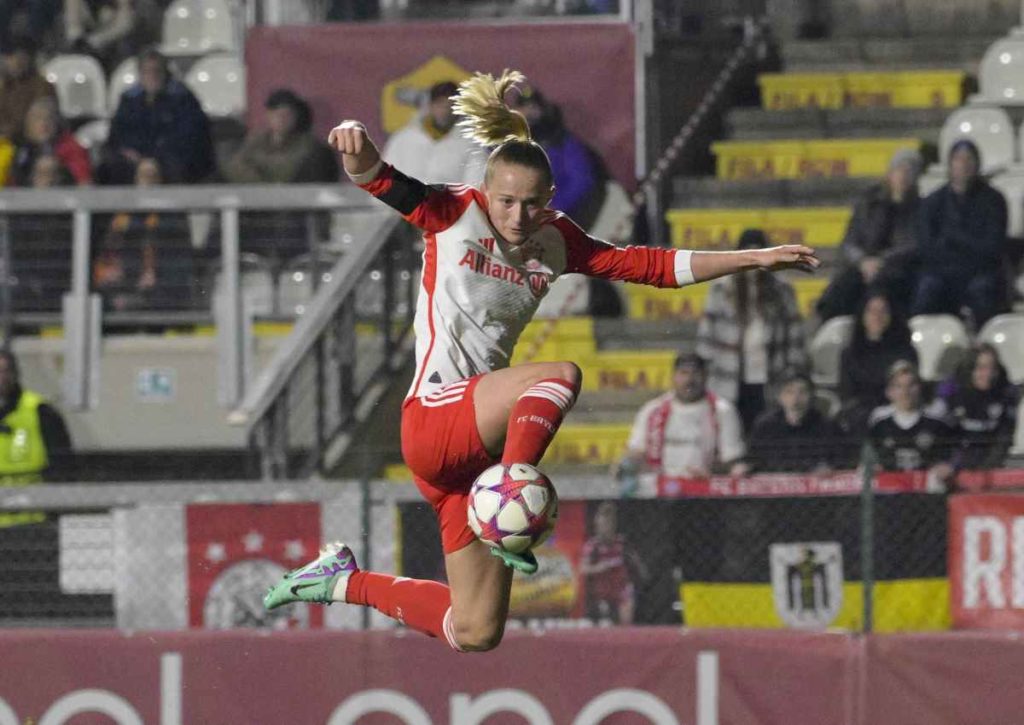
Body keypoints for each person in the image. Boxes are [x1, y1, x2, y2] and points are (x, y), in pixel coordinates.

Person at [263, 69, 817, 652]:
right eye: (505, 200)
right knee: (559, 376)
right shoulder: (453, 212)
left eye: (531, 204)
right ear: (485, 188)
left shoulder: (557, 240)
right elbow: (378, 179)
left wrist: (753, 258)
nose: (516, 216)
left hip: (473, 456)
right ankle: (513, 480)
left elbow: (653, 267)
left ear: (548, 201)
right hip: (432, 419)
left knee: (475, 630)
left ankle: (341, 581)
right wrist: (356, 144)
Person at [696, 228, 808, 431]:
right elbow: (706, 339)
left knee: (767, 431)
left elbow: (795, 337)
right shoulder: (721, 289)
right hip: (729, 378)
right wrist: (708, 376)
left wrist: (792, 373)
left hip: (773, 377)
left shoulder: (782, 291)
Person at [614, 352, 747, 497]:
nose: (689, 380)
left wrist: (713, 473)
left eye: (696, 374)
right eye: (683, 373)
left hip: (706, 493)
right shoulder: (652, 410)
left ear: (706, 376)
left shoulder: (722, 411)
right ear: (673, 377)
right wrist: (627, 463)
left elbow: (732, 461)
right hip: (661, 493)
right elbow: (637, 451)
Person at [911, 139, 1008, 329]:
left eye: (968, 159)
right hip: (942, 272)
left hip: (980, 271)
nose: (963, 164)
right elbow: (926, 248)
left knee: (983, 291)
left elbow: (993, 247)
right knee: (926, 291)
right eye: (958, 159)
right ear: (950, 164)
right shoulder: (932, 202)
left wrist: (955, 240)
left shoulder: (994, 201)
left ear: (977, 163)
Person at [815, 148, 922, 320]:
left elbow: (912, 245)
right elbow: (849, 242)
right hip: (863, 266)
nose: (903, 176)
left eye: (908, 171)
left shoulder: (919, 209)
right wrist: (862, 262)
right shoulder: (868, 203)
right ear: (890, 173)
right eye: (899, 170)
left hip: (895, 270)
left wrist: (881, 262)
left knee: (883, 287)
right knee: (842, 288)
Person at [93, 157, 193, 311]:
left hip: (162, 280)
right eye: (143, 175)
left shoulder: (172, 214)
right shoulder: (123, 215)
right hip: (128, 278)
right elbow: (110, 250)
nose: (148, 180)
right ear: (136, 179)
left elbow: (176, 252)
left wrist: (153, 274)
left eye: (152, 175)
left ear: (160, 180)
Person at [101, 47, 213, 184]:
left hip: (172, 158)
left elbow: (190, 136)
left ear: (165, 72)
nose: (151, 76)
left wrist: (155, 157)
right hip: (135, 158)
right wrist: (130, 151)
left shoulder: (183, 99)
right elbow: (118, 135)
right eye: (146, 72)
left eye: (156, 71)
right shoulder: (129, 100)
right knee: (109, 168)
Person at [513, 85, 604, 230]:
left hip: (557, 220)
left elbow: (581, 180)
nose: (529, 113)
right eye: (524, 108)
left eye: (533, 107)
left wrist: (554, 206)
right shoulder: (507, 144)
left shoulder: (561, 141)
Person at [837, 290, 917, 440]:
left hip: (897, 412)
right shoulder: (849, 353)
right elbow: (847, 393)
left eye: (883, 311)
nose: (877, 316)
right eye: (872, 311)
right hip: (862, 416)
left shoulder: (905, 351)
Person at [867, 360, 956, 489]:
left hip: (927, 494)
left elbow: (949, 456)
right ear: (889, 392)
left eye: (911, 385)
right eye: (898, 386)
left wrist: (946, 466)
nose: (905, 392)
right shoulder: (879, 424)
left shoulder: (936, 423)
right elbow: (869, 456)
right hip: (889, 494)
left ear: (919, 387)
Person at [222, 88, 338, 184]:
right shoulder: (256, 141)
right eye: (277, 114)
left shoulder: (311, 148)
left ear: (296, 117)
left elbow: (290, 171)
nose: (282, 119)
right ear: (268, 115)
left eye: (287, 114)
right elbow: (236, 168)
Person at [382, 80, 485, 185]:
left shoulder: (471, 146)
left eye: (451, 105)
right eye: (440, 104)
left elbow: (474, 187)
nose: (445, 111)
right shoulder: (403, 139)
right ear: (430, 105)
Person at [934, 343, 1018, 470]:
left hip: (992, 467)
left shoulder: (1005, 394)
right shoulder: (952, 393)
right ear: (970, 369)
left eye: (992, 368)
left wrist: (987, 468)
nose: (988, 374)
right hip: (955, 468)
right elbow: (943, 437)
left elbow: (1004, 438)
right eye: (981, 368)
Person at [746, 369, 844, 473]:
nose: (796, 399)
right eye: (789, 392)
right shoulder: (765, 426)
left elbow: (842, 461)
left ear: (812, 396)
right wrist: (746, 467)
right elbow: (753, 460)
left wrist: (829, 468)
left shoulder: (828, 426)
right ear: (779, 397)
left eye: (803, 392)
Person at [578, 501, 647, 625]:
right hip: (602, 593)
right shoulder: (592, 546)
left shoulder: (622, 543)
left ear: (612, 525)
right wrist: (600, 567)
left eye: (605, 525)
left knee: (626, 619)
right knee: (605, 625)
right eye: (599, 525)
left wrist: (639, 570)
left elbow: (636, 562)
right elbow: (583, 569)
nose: (602, 529)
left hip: (621, 589)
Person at [11, 96, 92, 186]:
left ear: (56, 122)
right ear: (27, 123)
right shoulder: (17, 149)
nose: (43, 123)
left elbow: (85, 183)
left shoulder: (71, 148)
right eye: (37, 118)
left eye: (48, 118)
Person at [0, 33, 56, 139]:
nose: (16, 62)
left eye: (21, 57)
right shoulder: (4, 87)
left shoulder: (42, 87)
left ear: (30, 59)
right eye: (10, 57)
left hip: (32, 146)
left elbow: (41, 123)